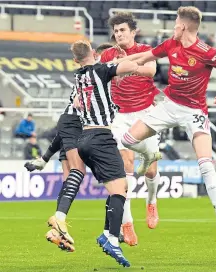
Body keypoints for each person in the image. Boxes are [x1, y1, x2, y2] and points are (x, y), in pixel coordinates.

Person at [115, 6, 216, 245]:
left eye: (175, 22)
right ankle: (150, 154)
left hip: (194, 111)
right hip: (168, 105)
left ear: (182, 26)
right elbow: (144, 57)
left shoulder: (206, 52)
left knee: (206, 166)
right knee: (126, 141)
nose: (173, 25)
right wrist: (118, 67)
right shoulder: (170, 44)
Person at [24, 42, 114, 252]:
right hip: (78, 127)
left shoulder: (87, 78)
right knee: (78, 172)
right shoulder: (94, 78)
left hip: (71, 128)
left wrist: (45, 158)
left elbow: (63, 130)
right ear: (96, 55)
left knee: (69, 183)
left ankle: (57, 231)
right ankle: (59, 221)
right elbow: (73, 115)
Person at [72, 39, 154, 267]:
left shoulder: (78, 76)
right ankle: (112, 238)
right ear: (92, 53)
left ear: (75, 60)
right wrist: (143, 58)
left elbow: (78, 102)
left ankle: (107, 232)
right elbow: (125, 66)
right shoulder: (101, 69)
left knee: (117, 187)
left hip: (84, 139)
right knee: (120, 191)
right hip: (101, 136)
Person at [99, 12, 162, 245]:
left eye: (123, 30)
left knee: (151, 171)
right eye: (116, 31)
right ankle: (127, 224)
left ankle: (152, 202)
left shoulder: (146, 49)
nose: (119, 34)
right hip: (119, 117)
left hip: (145, 114)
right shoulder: (107, 54)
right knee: (124, 166)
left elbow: (150, 71)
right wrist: (115, 65)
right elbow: (100, 74)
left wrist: (123, 65)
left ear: (133, 32)